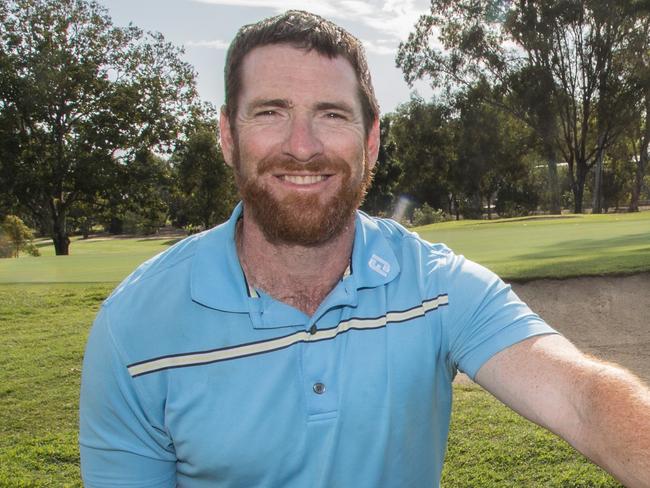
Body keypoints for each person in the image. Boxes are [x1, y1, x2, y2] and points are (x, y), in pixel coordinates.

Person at [79, 10, 650, 488]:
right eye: (271, 112)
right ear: (228, 134)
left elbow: (584, 395)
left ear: (371, 140)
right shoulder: (134, 328)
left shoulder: (435, 286)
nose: (301, 147)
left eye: (331, 115)